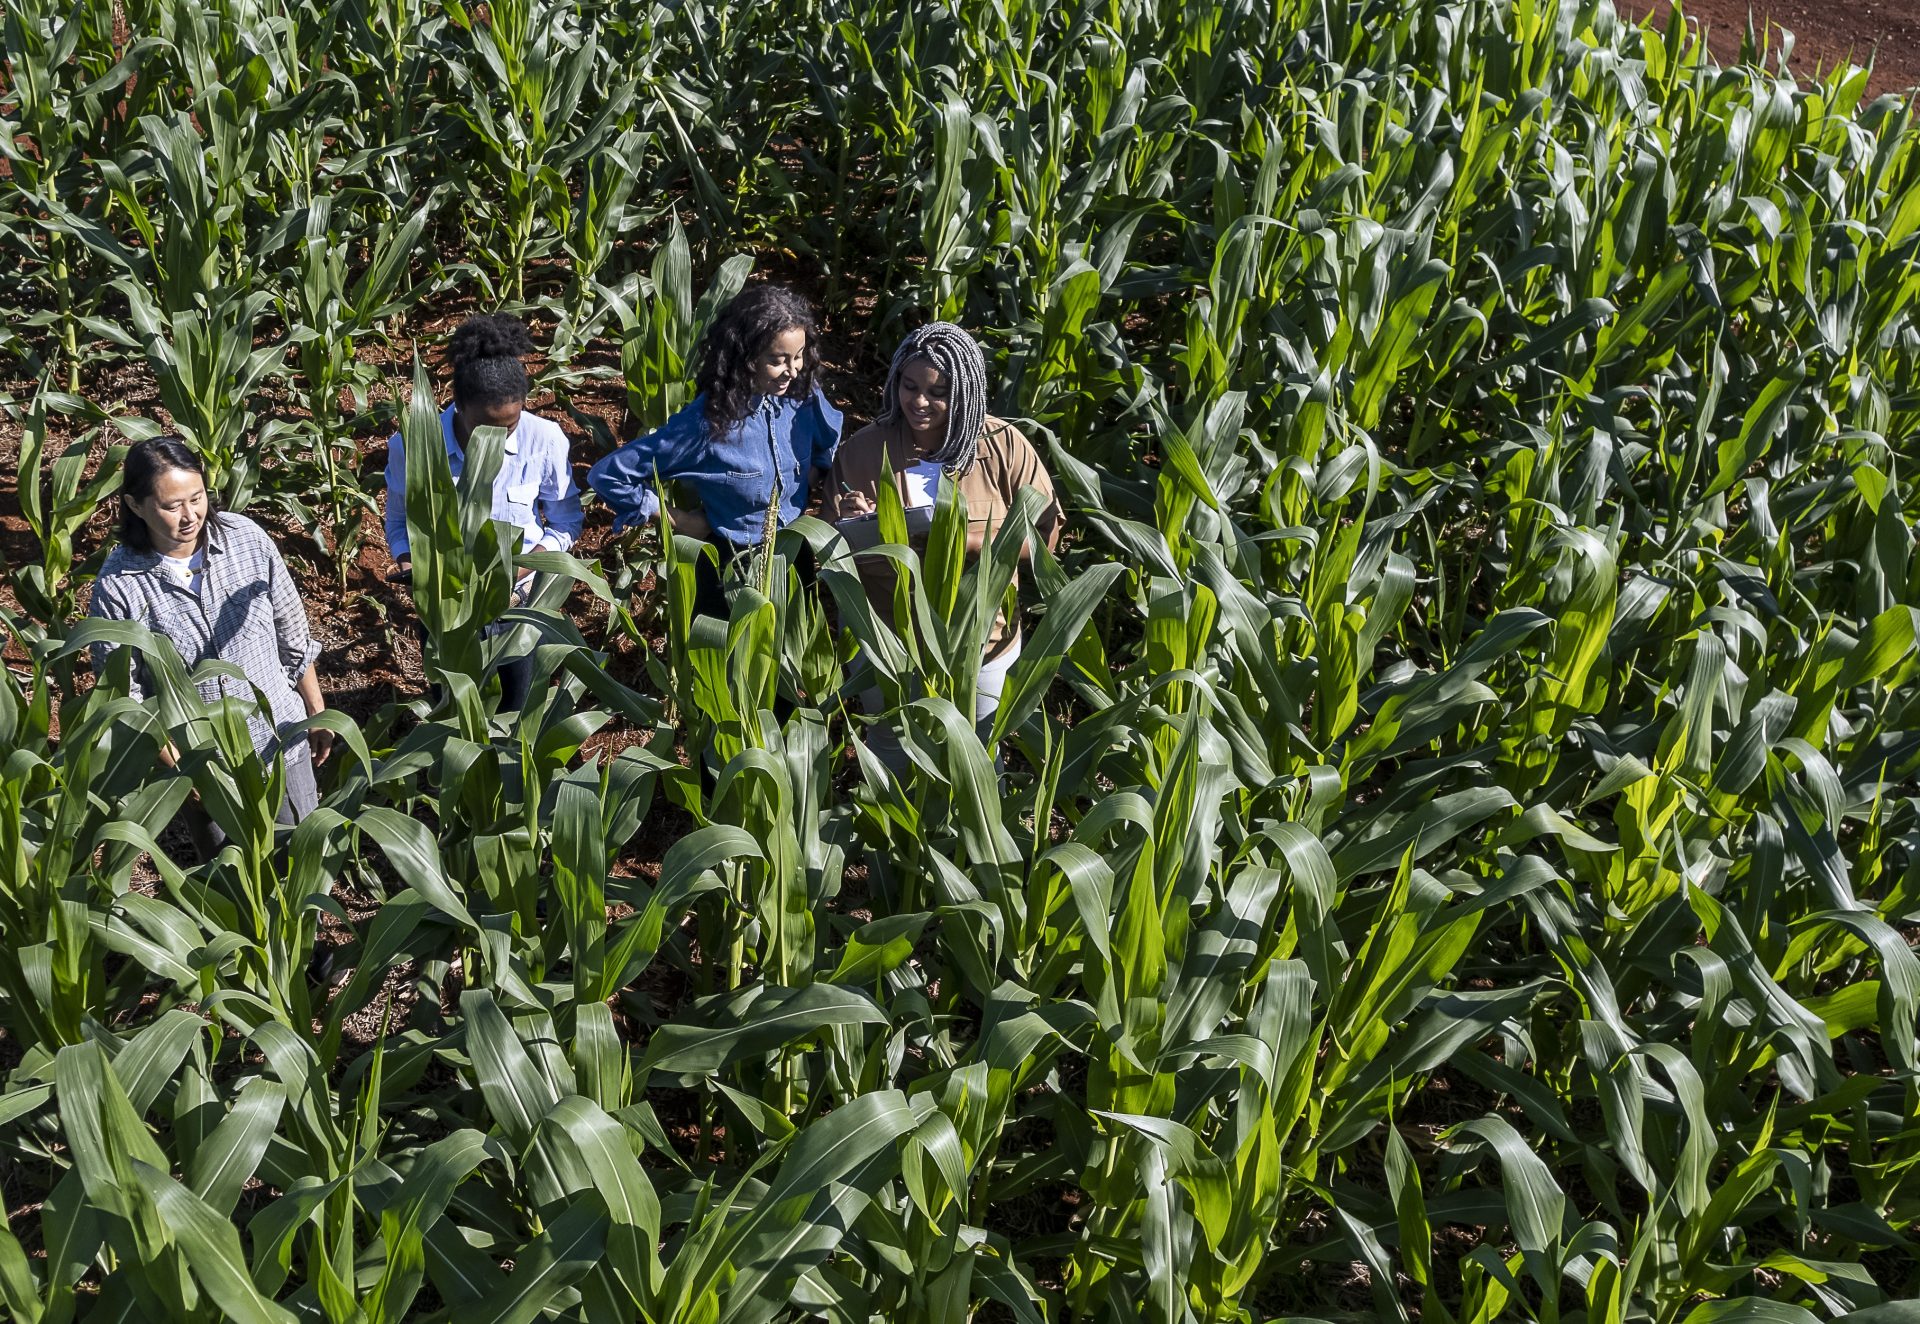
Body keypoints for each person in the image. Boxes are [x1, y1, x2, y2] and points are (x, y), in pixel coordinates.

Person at [827, 322, 1062, 747]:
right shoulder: (863, 450)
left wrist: (960, 541)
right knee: (892, 759)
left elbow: (1043, 542)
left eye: (938, 393)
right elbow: (831, 550)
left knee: (978, 763)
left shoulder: (1004, 447)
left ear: (966, 393)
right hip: (888, 643)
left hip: (981, 643)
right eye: (909, 385)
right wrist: (851, 520)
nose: (919, 402)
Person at [88, 437, 331, 835]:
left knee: (302, 857)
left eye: (197, 498)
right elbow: (127, 697)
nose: (190, 516)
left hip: (280, 744)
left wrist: (316, 712)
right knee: (232, 884)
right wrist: (184, 769)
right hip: (206, 767)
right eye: (171, 506)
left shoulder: (247, 540)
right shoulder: (120, 586)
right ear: (135, 505)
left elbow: (293, 634)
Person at [588, 283, 842, 619]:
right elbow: (609, 474)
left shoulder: (801, 396)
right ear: (746, 356)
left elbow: (830, 434)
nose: (793, 370)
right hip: (732, 565)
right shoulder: (708, 423)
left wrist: (813, 475)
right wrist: (681, 520)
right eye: (777, 360)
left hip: (793, 554)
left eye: (798, 356)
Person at [384, 314, 583, 708]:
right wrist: (411, 563)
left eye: (509, 426)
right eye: (485, 428)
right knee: (452, 711)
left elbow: (565, 522)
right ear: (457, 405)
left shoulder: (544, 440)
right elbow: (398, 521)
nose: (497, 438)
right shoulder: (414, 446)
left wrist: (518, 569)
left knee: (517, 709)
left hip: (518, 607)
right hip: (445, 612)